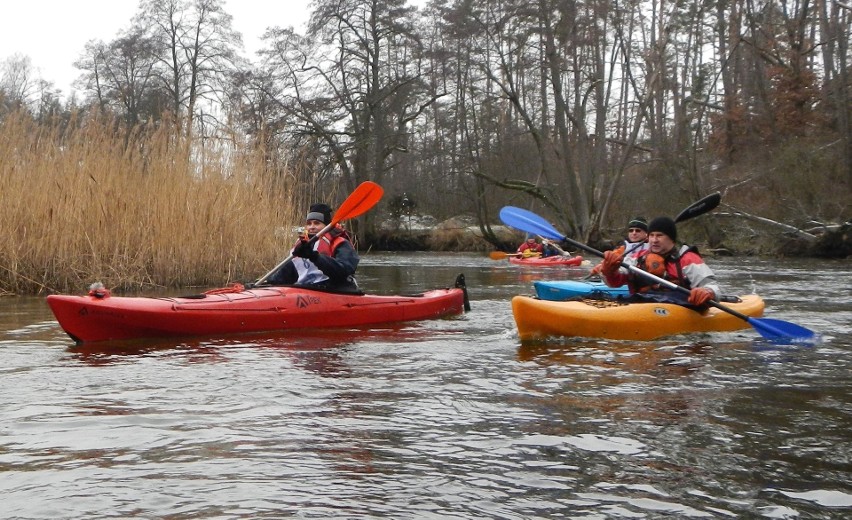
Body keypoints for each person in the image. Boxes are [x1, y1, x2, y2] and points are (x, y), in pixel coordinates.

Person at [599, 216, 718, 307]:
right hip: (640, 306)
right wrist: (609, 271)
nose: (654, 240)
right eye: (651, 236)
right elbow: (613, 282)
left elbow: (712, 286)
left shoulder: (688, 259)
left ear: (671, 239)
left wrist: (707, 291)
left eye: (659, 236)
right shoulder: (637, 258)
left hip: (679, 308)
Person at [264, 203, 360, 291]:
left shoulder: (340, 244)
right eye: (309, 223)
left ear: (327, 225)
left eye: (316, 223)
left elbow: (344, 271)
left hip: (336, 291)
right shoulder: (303, 246)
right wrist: (266, 284)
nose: (311, 227)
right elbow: (287, 273)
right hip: (308, 291)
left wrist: (315, 257)